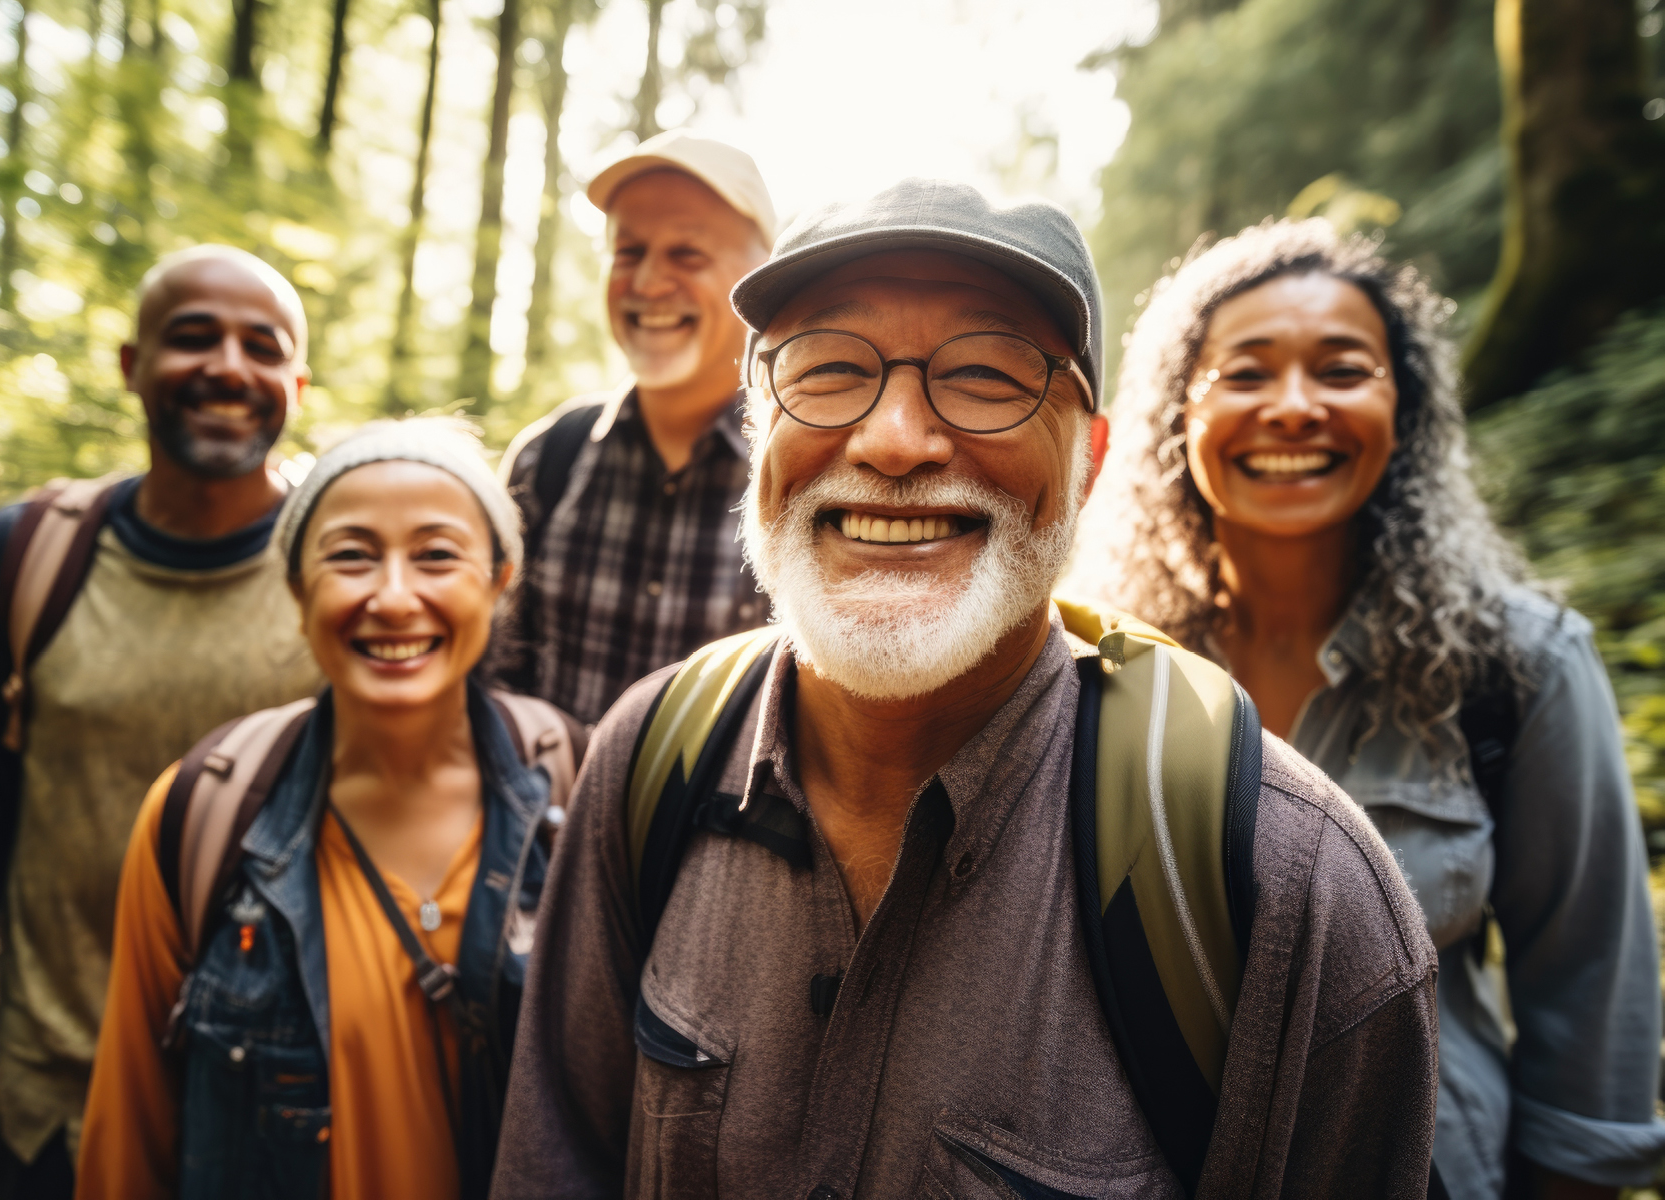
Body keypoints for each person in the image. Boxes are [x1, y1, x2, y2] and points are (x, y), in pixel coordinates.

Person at [491, 180, 1440, 1200]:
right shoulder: (648, 760)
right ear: (760, 433)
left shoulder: (1294, 890)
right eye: (827, 370)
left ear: (1089, 462)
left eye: (988, 375)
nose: (895, 440)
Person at [1062, 218, 1665, 1200]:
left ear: (1404, 408)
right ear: (1177, 416)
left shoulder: (1517, 669)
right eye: (1246, 375)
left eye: (1342, 370)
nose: (1295, 408)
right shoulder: (1104, 665)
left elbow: (1592, 1029)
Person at [0, 245, 326, 1199]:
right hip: (58, 1100)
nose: (228, 367)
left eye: (262, 345)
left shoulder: (344, 574)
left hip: (291, 1103)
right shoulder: (24, 559)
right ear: (132, 365)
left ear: (296, 381)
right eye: (194, 337)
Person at [76, 418, 580, 1200]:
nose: (392, 596)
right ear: (296, 587)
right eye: (350, 555)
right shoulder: (200, 815)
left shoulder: (582, 797)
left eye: (437, 555)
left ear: (499, 578)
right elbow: (129, 1131)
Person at [494, 129, 776, 724]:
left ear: (761, 279)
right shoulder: (547, 458)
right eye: (629, 252)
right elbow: (493, 672)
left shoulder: (799, 476)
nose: (647, 283)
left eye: (687, 254)